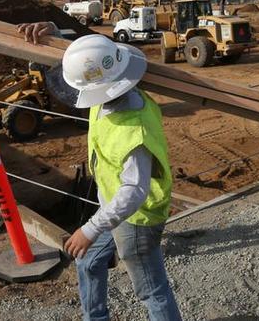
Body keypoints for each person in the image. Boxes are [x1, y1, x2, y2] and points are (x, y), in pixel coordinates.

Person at [17, 23, 182, 321]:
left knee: (152, 291)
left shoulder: (135, 129)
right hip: (112, 206)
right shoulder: (113, 85)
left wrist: (89, 229)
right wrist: (54, 31)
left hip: (137, 218)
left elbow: (134, 191)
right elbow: (91, 57)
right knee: (88, 261)